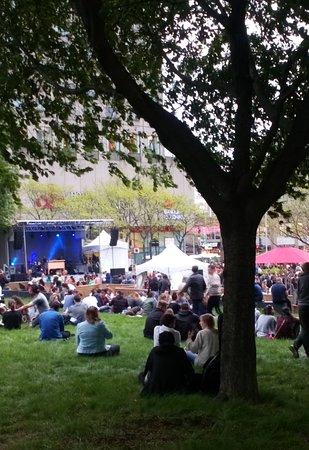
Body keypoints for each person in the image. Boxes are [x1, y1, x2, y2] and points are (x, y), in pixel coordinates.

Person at [140, 331, 195, 395]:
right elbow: (189, 369)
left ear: (160, 340)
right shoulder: (180, 351)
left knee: (141, 375)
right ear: (172, 340)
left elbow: (148, 368)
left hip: (157, 385)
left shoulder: (154, 351)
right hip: (177, 384)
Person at [290, 262, 309, 358]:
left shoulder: (300, 279)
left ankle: (295, 346)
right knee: (306, 329)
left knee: (305, 328)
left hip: (302, 306)